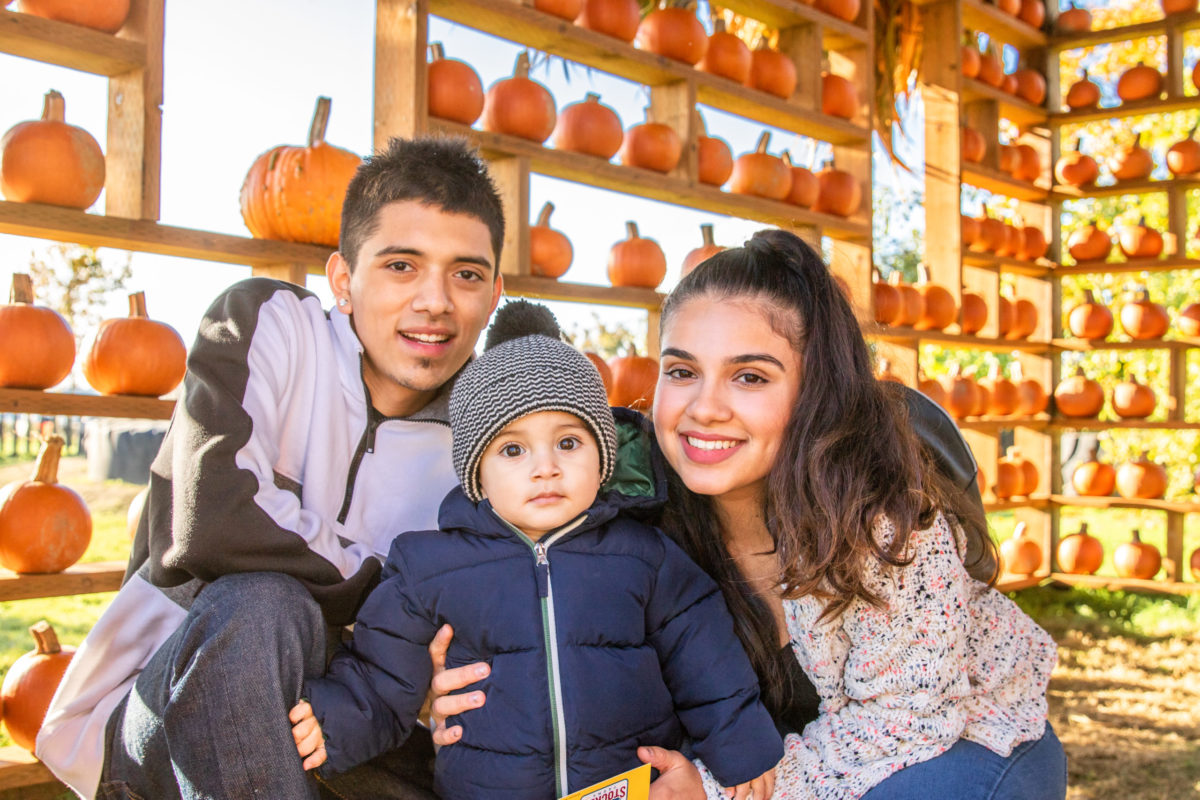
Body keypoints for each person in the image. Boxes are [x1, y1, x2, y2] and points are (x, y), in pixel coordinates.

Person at [429, 229, 1067, 800]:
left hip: (952, 748)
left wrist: (710, 791)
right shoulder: (631, 517)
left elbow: (907, 719)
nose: (704, 408)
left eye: (750, 378)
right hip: (782, 773)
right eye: (682, 371)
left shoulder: (883, 520)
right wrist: (449, 690)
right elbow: (545, 617)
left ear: (814, 390)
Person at [36, 137, 508, 800]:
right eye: (402, 265)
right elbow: (217, 521)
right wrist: (402, 600)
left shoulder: (494, 442)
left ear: (494, 296)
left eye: (466, 274)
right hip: (166, 714)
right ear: (343, 280)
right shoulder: (267, 323)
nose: (435, 300)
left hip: (357, 730)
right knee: (262, 604)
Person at [287, 299, 783, 800]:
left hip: (627, 787)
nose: (544, 467)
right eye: (513, 450)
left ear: (602, 457)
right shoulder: (430, 566)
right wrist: (339, 717)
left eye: (568, 443)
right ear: (477, 472)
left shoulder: (643, 555)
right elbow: (383, 667)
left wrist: (738, 741)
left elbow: (703, 653)